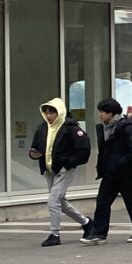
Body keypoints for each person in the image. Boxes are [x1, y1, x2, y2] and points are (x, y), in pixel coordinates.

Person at [29, 97, 92, 247]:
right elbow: (36, 147)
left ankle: (54, 234)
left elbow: (84, 150)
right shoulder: (43, 128)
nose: (49, 115)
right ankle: (87, 223)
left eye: (52, 112)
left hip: (64, 170)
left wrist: (68, 164)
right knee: (60, 202)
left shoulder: (71, 128)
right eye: (46, 112)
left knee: (53, 200)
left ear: (60, 112)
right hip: (49, 170)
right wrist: (34, 154)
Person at [89, 99, 132, 245]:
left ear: (110, 113)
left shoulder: (126, 128)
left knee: (131, 201)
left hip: (126, 172)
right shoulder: (104, 128)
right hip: (110, 172)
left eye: (102, 112)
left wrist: (121, 162)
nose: (100, 115)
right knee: (102, 201)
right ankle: (99, 233)